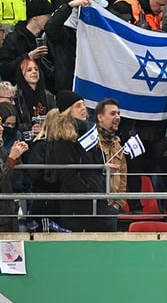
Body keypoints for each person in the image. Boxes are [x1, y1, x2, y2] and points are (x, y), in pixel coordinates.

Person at [46, 91, 117, 232]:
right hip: (77, 207)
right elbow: (67, 175)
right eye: (78, 106)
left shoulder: (88, 133)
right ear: (68, 111)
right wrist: (89, 188)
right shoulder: (62, 140)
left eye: (84, 105)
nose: (84, 109)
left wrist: (102, 168)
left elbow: (94, 162)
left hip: (98, 201)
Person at [0, 0, 54, 85]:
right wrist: (28, 57)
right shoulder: (13, 39)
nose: (50, 19)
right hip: (18, 91)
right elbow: (5, 69)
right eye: (47, 16)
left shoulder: (46, 38)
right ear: (35, 16)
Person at [95, 98, 127, 212]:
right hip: (94, 205)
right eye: (113, 113)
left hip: (112, 207)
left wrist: (118, 203)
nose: (117, 117)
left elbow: (123, 176)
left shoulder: (118, 145)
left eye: (118, 113)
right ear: (100, 117)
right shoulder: (92, 142)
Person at [14, 59, 55, 138]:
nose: (34, 72)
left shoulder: (49, 95)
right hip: (26, 139)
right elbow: (13, 124)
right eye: (29, 70)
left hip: (47, 137)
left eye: (36, 69)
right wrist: (30, 128)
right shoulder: (16, 97)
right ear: (21, 74)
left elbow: (55, 118)